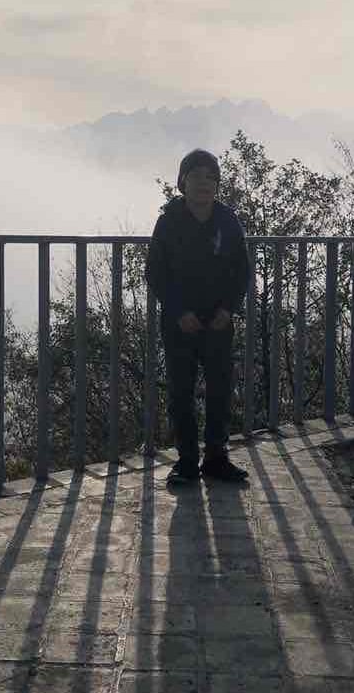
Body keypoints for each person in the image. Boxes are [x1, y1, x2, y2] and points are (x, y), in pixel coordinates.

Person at [145, 148, 251, 484]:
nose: (203, 183)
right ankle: (187, 462)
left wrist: (227, 309)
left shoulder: (228, 221)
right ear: (182, 182)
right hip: (180, 324)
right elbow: (155, 272)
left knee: (221, 391)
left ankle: (216, 458)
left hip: (219, 322)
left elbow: (242, 271)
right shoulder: (168, 222)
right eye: (195, 176)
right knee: (181, 394)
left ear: (217, 184)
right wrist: (179, 312)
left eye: (210, 177)